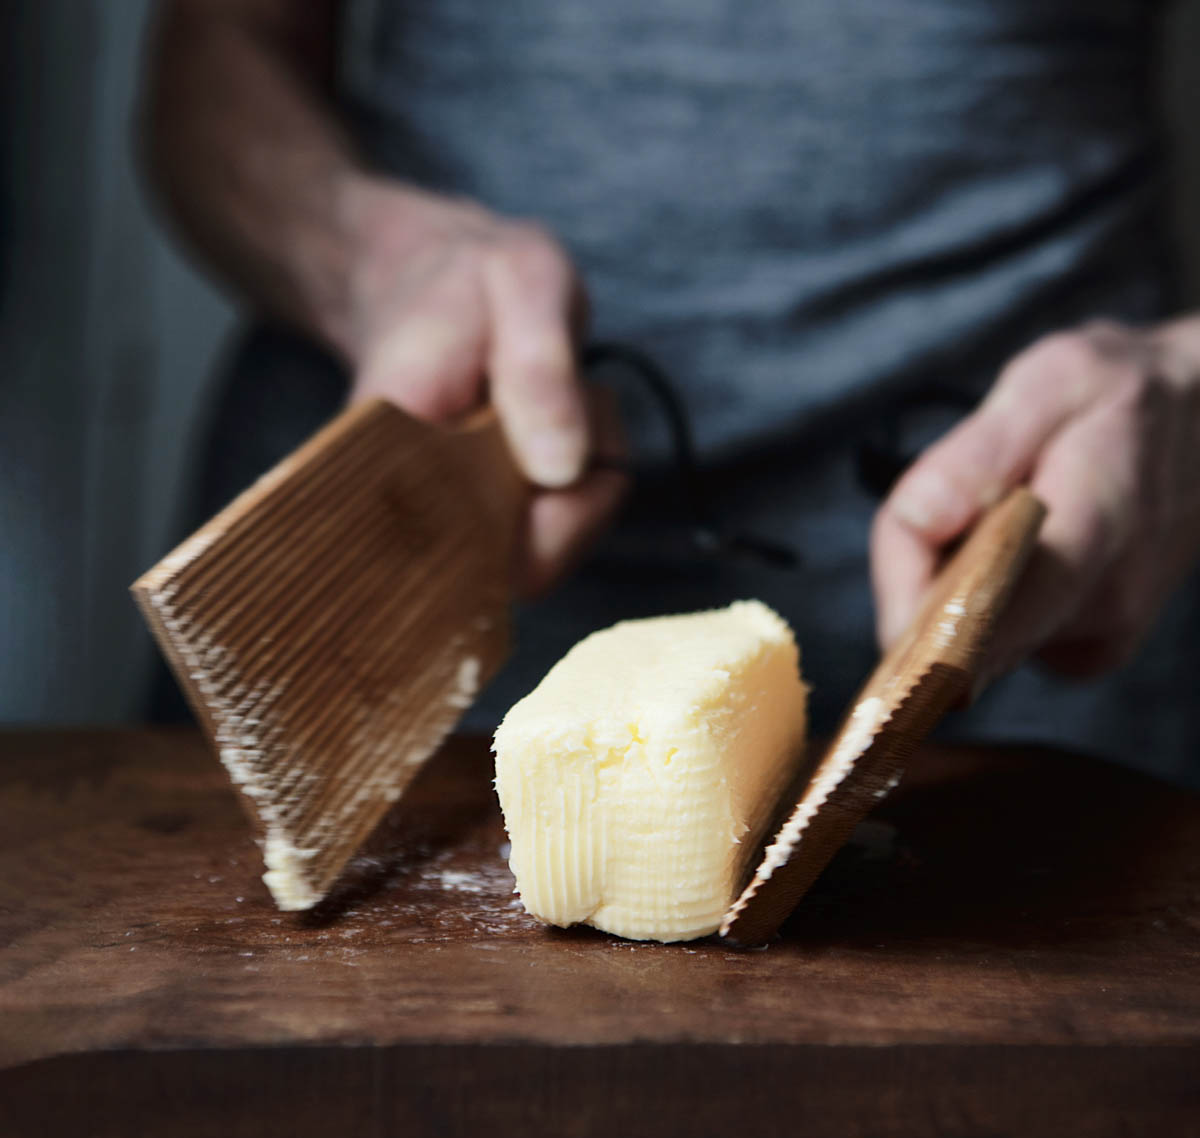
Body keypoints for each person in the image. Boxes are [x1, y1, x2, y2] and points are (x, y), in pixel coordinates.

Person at [142, 0, 1200, 783]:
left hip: (1059, 552)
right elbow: (217, 52)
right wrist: (354, 250)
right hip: (417, 541)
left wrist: (1182, 378)